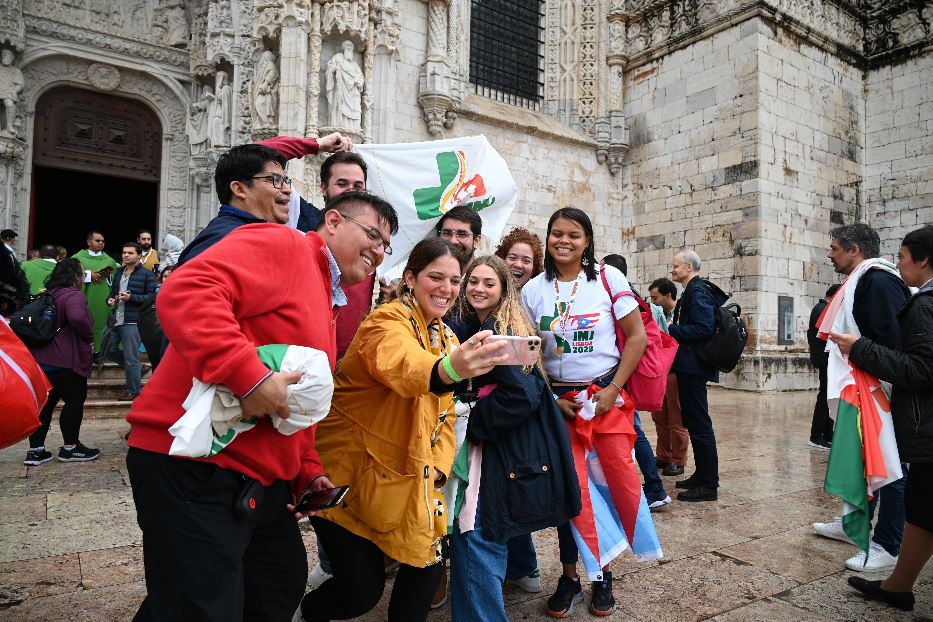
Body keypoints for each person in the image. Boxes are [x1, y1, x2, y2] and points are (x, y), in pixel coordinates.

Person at [125, 147, 398, 620]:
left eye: (385, 246)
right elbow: (185, 291)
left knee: (276, 585)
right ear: (331, 221)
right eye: (372, 234)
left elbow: (298, 397)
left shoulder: (326, 298)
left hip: (258, 477)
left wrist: (307, 470)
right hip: (196, 462)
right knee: (201, 606)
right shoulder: (286, 245)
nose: (377, 251)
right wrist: (249, 377)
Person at [298, 239, 510, 622]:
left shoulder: (445, 335)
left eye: (454, 280)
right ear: (410, 278)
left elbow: (443, 420)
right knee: (361, 592)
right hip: (349, 479)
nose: (447, 288)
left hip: (407, 480)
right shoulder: (386, 322)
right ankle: (304, 613)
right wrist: (450, 370)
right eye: (436, 277)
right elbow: (407, 367)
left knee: (426, 568)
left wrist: (439, 472)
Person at [522, 207, 647, 617]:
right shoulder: (533, 290)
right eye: (556, 233)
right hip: (556, 405)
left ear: (587, 240)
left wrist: (612, 390)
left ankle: (602, 574)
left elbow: (637, 338)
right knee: (568, 493)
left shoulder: (609, 279)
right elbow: (529, 354)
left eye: (573, 235)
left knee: (605, 489)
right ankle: (571, 575)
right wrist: (549, 398)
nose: (564, 241)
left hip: (602, 400)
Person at [448, 255, 581, 622]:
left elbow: (520, 393)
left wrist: (473, 421)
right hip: (508, 448)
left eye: (489, 283)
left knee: (476, 533)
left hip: (501, 448)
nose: (478, 288)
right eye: (473, 281)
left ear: (504, 289)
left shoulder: (498, 328)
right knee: (481, 533)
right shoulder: (491, 323)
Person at [830, 225, 933, 612]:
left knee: (911, 492)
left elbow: (922, 368)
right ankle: (897, 585)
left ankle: (889, 552)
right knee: (923, 511)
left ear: (923, 260)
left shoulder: (920, 301)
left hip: (921, 420)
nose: (897, 264)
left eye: (903, 257)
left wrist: (861, 349)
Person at [812, 223, 911, 572]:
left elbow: (894, 342)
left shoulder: (879, 280)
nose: (829, 253)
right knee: (861, 459)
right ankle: (852, 518)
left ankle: (888, 543)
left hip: (877, 389)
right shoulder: (862, 281)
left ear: (854, 249)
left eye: (834, 247)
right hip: (860, 386)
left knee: (890, 465)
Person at [175, 133, 351, 266]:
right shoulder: (222, 241)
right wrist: (316, 144)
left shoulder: (253, 234)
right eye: (275, 180)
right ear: (239, 189)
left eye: (285, 181)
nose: (288, 190)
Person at [492, 227, 547, 593]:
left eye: (526, 259)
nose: (518, 264)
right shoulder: (486, 289)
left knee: (516, 481)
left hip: (518, 407)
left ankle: (523, 563)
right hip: (491, 404)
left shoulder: (531, 302)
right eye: (513, 256)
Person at [599, 254, 671, 508]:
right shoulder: (631, 294)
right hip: (624, 373)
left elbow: (632, 338)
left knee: (634, 431)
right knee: (633, 431)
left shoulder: (620, 295)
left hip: (622, 374)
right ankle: (651, 486)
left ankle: (654, 487)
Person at [22, 259, 98, 465]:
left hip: (42, 360)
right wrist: (88, 336)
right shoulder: (73, 295)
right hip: (65, 359)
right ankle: (70, 448)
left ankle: (36, 451)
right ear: (75, 277)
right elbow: (77, 317)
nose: (83, 279)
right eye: (82, 274)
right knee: (74, 401)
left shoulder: (49, 294)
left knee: (45, 406)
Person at [668, 249, 728, 502]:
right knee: (693, 421)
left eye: (676, 266)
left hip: (694, 367)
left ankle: (709, 484)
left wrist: (673, 330)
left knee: (700, 424)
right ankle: (701, 475)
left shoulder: (698, 292)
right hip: (689, 366)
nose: (672, 270)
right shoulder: (693, 291)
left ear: (690, 267)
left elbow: (704, 328)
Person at [648, 277, 690, 476]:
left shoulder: (681, 314)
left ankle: (678, 460)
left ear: (669, 295)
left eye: (655, 298)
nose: (653, 302)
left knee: (677, 418)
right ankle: (664, 456)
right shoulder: (656, 315)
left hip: (676, 371)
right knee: (659, 416)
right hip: (659, 372)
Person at [107, 243, 156, 400]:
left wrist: (132, 298)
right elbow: (113, 292)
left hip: (133, 321)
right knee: (108, 350)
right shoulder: (119, 272)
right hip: (116, 318)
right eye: (123, 252)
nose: (125, 255)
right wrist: (109, 299)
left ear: (139, 255)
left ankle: (133, 391)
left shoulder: (148, 275)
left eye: (130, 253)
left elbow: (151, 298)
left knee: (130, 358)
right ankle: (140, 368)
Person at [72, 231, 119, 354]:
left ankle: (98, 352)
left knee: (100, 322)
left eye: (103, 241)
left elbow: (115, 280)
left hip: (101, 298)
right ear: (88, 242)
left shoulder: (109, 260)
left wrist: (107, 275)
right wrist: (88, 275)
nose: (101, 243)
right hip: (82, 296)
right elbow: (70, 275)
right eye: (97, 240)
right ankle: (81, 351)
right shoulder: (78, 258)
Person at [807, 283, 841, 451]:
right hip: (825, 360)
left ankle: (828, 435)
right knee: (824, 397)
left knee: (828, 396)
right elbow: (827, 336)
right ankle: (817, 435)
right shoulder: (821, 310)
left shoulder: (823, 309)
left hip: (828, 360)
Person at [494, 226, 544, 290]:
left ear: (533, 269)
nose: (518, 265)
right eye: (512, 258)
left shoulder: (537, 299)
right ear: (501, 260)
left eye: (526, 261)